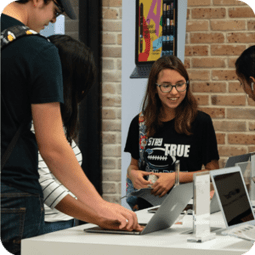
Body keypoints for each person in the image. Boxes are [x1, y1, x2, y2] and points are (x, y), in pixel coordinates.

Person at [1, 1, 141, 254]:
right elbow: (53, 147)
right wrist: (99, 207)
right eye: (55, 11)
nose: (54, 21)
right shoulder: (37, 49)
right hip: (12, 194)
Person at [125, 55, 220, 210]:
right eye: (166, 85)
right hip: (147, 209)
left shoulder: (201, 122)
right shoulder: (141, 122)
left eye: (180, 84)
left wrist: (176, 177)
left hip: (187, 209)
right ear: (155, 87)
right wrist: (133, 174)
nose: (174, 92)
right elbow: (133, 166)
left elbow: (213, 172)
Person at [32, 34, 94, 234]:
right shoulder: (35, 121)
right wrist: (99, 213)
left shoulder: (58, 120)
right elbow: (45, 186)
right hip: (44, 224)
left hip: (64, 222)